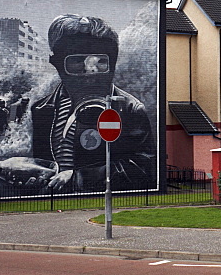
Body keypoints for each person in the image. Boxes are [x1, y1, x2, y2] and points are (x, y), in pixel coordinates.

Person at [30, 14, 156, 192]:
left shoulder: (129, 109)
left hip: (97, 199)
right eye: (76, 61)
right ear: (56, 63)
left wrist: (79, 178)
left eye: (100, 61)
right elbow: (41, 163)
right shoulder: (42, 110)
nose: (90, 71)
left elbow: (143, 168)